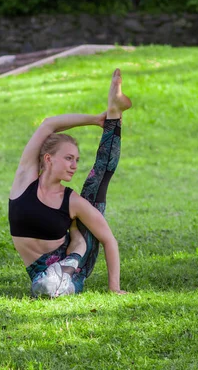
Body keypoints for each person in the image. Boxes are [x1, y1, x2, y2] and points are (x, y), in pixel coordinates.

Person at [8, 68, 132, 297]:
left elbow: (108, 240)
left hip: (75, 270)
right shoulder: (25, 180)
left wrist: (114, 288)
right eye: (68, 158)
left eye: (76, 159)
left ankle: (115, 112)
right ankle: (111, 114)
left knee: (96, 184)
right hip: (41, 274)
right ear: (48, 158)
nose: (74, 165)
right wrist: (95, 120)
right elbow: (48, 125)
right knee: (43, 286)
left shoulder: (72, 201)